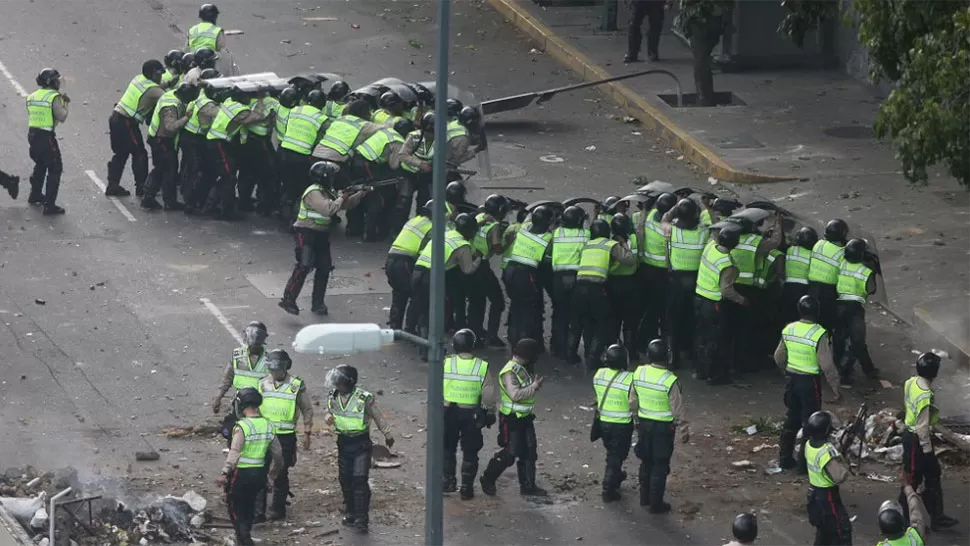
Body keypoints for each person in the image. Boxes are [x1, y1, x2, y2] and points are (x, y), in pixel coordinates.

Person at [279, 161, 367, 316]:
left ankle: (318, 303)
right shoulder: (313, 192)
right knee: (304, 265)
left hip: (321, 234)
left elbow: (345, 206)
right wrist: (342, 197)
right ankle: (288, 299)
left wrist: (361, 193)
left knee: (324, 267)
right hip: (306, 232)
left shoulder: (327, 190)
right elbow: (329, 209)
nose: (334, 179)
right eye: (332, 176)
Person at [774, 295, 841, 473]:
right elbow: (826, 364)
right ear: (817, 312)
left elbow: (778, 356)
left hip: (792, 380)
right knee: (810, 423)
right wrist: (835, 388)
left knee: (791, 420)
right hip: (810, 382)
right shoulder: (819, 333)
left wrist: (786, 373)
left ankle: (785, 459)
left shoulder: (789, 329)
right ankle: (804, 465)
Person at [324, 364, 393, 534]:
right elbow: (329, 411)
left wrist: (387, 434)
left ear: (349, 383)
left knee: (360, 478)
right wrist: (327, 417)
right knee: (345, 479)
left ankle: (362, 518)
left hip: (361, 443)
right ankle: (350, 512)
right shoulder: (333, 396)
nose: (337, 387)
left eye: (339, 384)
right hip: (343, 442)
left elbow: (377, 415)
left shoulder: (364, 398)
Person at [900, 351, 959, 530]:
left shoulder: (911, 382)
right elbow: (922, 426)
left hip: (911, 438)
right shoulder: (925, 394)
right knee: (914, 479)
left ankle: (937, 516)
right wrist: (927, 451)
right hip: (917, 441)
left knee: (930, 476)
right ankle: (903, 517)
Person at [216, 388, 283, 546]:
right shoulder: (268, 425)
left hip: (241, 475)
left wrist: (225, 472)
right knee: (249, 506)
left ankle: (245, 539)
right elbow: (278, 455)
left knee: (234, 507)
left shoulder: (242, 427)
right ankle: (244, 537)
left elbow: (235, 452)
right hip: (259, 474)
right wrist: (271, 476)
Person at [480, 338, 546, 497]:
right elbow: (515, 395)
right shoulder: (510, 371)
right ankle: (488, 478)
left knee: (529, 452)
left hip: (525, 417)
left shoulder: (521, 368)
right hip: (511, 419)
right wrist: (534, 387)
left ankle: (528, 486)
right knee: (511, 452)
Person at [569, 219, 636, 369]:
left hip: (579, 288)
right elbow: (629, 260)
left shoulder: (587, 245)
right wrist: (623, 244)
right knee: (602, 324)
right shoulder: (610, 245)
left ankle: (580, 354)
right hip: (596, 289)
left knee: (585, 322)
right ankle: (593, 358)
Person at [632, 338, 688, 513]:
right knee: (660, 465)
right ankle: (656, 504)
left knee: (646, 461)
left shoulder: (639, 372)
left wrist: (635, 420)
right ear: (667, 357)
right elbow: (677, 409)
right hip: (663, 430)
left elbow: (632, 401)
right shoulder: (669, 380)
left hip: (644, 426)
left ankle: (644, 497)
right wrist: (684, 430)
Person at [257, 349, 312, 521]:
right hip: (265, 435)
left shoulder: (296, 385)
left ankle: (278, 509)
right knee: (260, 470)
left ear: (286, 367)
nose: (275, 373)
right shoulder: (262, 384)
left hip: (285, 436)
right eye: (272, 370)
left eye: (278, 369)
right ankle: (258, 511)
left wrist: (307, 432)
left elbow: (307, 409)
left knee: (280, 472)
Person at [441, 329, 495, 500]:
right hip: (472, 414)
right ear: (472, 345)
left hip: (449, 412)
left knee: (448, 448)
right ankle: (466, 487)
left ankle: (448, 481)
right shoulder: (481, 366)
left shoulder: (446, 363)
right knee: (470, 451)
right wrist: (490, 412)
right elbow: (488, 393)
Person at [410, 213, 482, 340]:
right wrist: (478, 258)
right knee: (435, 313)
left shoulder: (445, 234)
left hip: (417, 271)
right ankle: (432, 347)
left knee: (424, 310)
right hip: (430, 277)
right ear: (469, 230)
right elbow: (468, 270)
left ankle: (423, 343)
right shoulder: (462, 245)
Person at [728, 213, 783, 373]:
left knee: (735, 328)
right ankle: (747, 363)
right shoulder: (756, 243)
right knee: (748, 327)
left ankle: (735, 362)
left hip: (733, 286)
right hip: (749, 290)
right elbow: (775, 242)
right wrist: (778, 224)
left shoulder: (732, 238)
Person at [204, 85, 268, 219]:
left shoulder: (229, 101)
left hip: (215, 141)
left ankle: (214, 205)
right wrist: (260, 99)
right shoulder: (241, 110)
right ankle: (224, 210)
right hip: (219, 142)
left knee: (226, 175)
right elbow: (258, 116)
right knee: (228, 177)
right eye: (248, 96)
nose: (249, 98)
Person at [694, 223, 746, 385]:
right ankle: (716, 375)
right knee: (716, 341)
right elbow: (726, 290)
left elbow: (712, 233)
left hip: (699, 299)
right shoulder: (726, 264)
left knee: (702, 338)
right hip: (714, 306)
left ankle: (702, 371)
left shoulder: (710, 247)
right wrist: (742, 300)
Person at [107, 60, 165, 197]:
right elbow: (168, 97)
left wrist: (169, 82)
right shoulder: (153, 90)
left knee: (120, 154)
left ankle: (112, 185)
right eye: (159, 74)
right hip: (127, 123)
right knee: (139, 153)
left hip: (116, 118)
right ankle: (142, 187)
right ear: (152, 74)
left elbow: (158, 87)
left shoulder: (139, 79)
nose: (161, 77)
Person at [663, 198, 707, 369]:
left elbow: (664, 219)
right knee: (694, 319)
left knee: (673, 320)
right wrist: (705, 206)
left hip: (676, 281)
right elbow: (714, 225)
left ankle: (673, 356)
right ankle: (693, 356)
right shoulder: (702, 233)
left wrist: (677, 206)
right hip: (696, 281)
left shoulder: (671, 231)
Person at [354, 118, 413, 241]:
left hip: (357, 160)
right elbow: (394, 165)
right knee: (376, 198)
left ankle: (354, 227)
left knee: (360, 194)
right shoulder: (398, 141)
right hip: (368, 166)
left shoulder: (387, 131)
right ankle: (370, 234)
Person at [504, 205, 554, 348]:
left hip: (510, 271)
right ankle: (524, 347)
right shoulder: (548, 237)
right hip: (526, 275)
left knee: (515, 307)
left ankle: (514, 344)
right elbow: (548, 259)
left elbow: (529, 217)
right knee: (527, 312)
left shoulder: (523, 228)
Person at [143, 82, 198, 210]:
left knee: (161, 169)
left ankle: (149, 196)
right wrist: (186, 118)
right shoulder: (171, 107)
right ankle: (168, 201)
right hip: (162, 140)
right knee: (169, 170)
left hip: (158, 139)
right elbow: (170, 127)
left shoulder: (171, 95)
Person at [592, 344, 635, 502]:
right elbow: (632, 402)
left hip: (603, 423)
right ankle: (608, 487)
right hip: (622, 424)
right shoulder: (630, 378)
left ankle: (616, 475)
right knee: (616, 456)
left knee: (612, 452)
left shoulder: (599, 374)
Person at [834, 238, 879, 384]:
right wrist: (871, 269)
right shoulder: (864, 271)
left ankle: (863, 369)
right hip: (855, 310)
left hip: (839, 306)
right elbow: (871, 289)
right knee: (857, 342)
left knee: (840, 339)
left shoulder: (841, 264)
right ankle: (848, 373)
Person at [803, 410, 851, 545]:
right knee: (842, 531)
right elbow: (839, 477)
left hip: (813, 496)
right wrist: (843, 463)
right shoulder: (826, 451)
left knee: (823, 532)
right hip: (828, 497)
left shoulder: (808, 445)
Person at [278, 89, 328, 220]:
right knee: (301, 188)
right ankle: (295, 219)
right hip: (301, 156)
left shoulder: (296, 110)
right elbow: (324, 136)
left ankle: (283, 214)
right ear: (322, 104)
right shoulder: (321, 118)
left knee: (288, 185)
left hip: (284, 151)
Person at [468, 194, 510, 347]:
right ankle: (491, 336)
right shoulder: (494, 226)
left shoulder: (479, 218)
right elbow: (498, 249)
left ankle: (474, 333)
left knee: (476, 301)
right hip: (482, 266)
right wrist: (509, 241)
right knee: (498, 301)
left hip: (470, 261)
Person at [637, 192, 676, 352]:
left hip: (647, 270)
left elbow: (641, 227)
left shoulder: (652, 215)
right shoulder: (670, 229)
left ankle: (644, 341)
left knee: (649, 309)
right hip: (663, 274)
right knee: (664, 310)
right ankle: (663, 345)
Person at [25, 68, 68, 214]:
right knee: (55, 168)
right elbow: (61, 116)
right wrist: (65, 103)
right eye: (56, 79)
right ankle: (50, 205)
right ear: (51, 81)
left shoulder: (32, 96)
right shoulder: (54, 97)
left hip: (32, 135)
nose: (58, 82)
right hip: (46, 137)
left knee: (41, 164)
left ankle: (35, 194)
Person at [385, 200, 432, 331]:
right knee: (417, 294)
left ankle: (395, 327)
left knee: (399, 293)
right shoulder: (431, 227)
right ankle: (410, 329)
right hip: (405, 262)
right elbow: (428, 251)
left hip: (391, 259)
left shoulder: (414, 220)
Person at [550, 205, 589, 360]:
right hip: (576, 278)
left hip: (558, 278)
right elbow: (588, 228)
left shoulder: (558, 233)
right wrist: (587, 218)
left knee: (560, 313)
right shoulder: (585, 235)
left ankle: (557, 348)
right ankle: (570, 353)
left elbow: (555, 225)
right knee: (575, 316)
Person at [183, 78, 226, 213]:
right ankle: (190, 203)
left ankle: (196, 200)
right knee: (198, 171)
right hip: (195, 139)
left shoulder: (202, 95)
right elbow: (220, 116)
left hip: (191, 137)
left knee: (196, 170)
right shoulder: (208, 106)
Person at [212, 321, 269, 414]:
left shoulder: (270, 359)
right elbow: (228, 378)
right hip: (241, 403)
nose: (253, 347)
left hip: (262, 405)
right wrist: (218, 397)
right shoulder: (238, 356)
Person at [395, 112, 436, 232]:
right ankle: (398, 230)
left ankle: (419, 229)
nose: (430, 135)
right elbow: (402, 155)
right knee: (404, 201)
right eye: (428, 132)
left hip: (426, 176)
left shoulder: (443, 139)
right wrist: (421, 164)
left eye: (433, 132)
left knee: (425, 202)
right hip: (408, 173)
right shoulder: (413, 136)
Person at [607, 214, 641, 356]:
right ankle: (631, 349)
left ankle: (613, 349)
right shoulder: (633, 240)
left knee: (614, 318)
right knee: (630, 319)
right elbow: (635, 259)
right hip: (630, 282)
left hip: (613, 282)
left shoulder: (608, 241)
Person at [808, 219, 848, 332]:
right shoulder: (842, 253)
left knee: (814, 320)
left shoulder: (818, 244)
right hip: (829, 293)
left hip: (812, 289)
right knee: (828, 323)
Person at [783, 226, 818, 325]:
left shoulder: (791, 250)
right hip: (803, 289)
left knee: (787, 316)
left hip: (788, 288)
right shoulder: (812, 255)